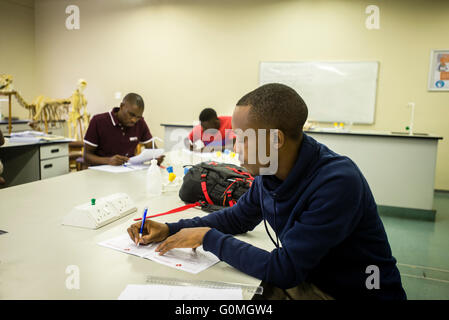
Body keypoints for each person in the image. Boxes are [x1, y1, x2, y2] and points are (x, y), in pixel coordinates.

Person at [127, 83, 406, 300]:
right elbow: (236, 219)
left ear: (275, 140)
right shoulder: (269, 172)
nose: (235, 149)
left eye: (242, 140)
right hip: (313, 281)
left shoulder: (337, 182)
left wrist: (209, 238)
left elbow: (285, 270)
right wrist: (170, 228)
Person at [83, 93, 163, 166]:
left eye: (138, 117)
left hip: (128, 170)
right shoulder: (98, 121)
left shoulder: (140, 123)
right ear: (121, 106)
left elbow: (153, 149)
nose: (134, 120)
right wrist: (108, 160)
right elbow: (86, 157)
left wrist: (157, 157)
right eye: (131, 114)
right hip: (101, 172)